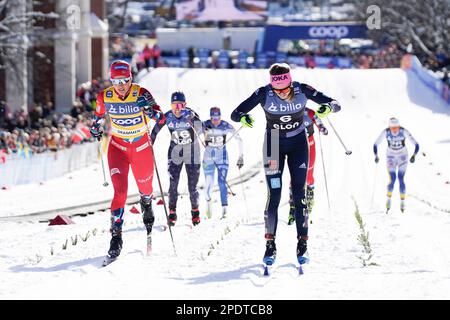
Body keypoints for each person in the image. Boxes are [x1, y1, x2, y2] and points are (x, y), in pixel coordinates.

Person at [230, 63, 341, 266]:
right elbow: (235, 113)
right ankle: (270, 246)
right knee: (274, 194)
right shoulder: (264, 93)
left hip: (299, 143)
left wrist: (328, 107)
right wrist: (243, 117)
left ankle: (302, 245)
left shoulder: (302, 89)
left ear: (290, 83)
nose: (280, 94)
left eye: (285, 89)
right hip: (273, 143)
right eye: (277, 90)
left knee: (299, 194)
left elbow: (335, 103)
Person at [90, 60, 165, 263]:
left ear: (130, 78)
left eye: (124, 80)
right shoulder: (104, 96)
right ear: (111, 80)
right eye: (116, 80)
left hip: (140, 148)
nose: (121, 85)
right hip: (118, 149)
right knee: (120, 192)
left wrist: (148, 110)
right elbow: (97, 117)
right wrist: (95, 127)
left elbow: (161, 118)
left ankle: (147, 204)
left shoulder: (142, 93)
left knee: (146, 188)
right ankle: (116, 237)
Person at [150, 92, 203, 227]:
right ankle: (172, 212)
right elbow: (155, 130)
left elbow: (202, 129)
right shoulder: (167, 116)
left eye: (180, 105)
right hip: (175, 153)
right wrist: (150, 143)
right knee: (173, 184)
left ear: (185, 105)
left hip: (192, 153)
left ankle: (195, 211)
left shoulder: (190, 114)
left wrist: (194, 121)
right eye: (174, 105)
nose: (177, 108)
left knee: (192, 186)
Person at [287, 107, 328, 225]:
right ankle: (292, 208)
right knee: (294, 176)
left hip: (310, 146)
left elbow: (319, 123)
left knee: (308, 176)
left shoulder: (310, 112)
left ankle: (309, 202)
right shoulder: (289, 112)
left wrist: (322, 128)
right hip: (296, 147)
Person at [203, 107, 244, 219]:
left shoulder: (225, 125)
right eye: (213, 118)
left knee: (221, 182)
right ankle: (208, 204)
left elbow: (239, 139)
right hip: (208, 159)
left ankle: (224, 209)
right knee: (208, 183)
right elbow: (193, 133)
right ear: (210, 117)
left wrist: (241, 157)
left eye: (218, 118)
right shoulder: (204, 125)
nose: (216, 120)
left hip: (222, 158)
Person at [373, 117, 419, 213]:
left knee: (401, 178)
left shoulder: (403, 131)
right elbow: (376, 144)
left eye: (396, 128)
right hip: (391, 157)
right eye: (393, 128)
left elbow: (416, 144)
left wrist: (414, 155)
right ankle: (388, 200)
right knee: (392, 179)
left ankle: (402, 202)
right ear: (389, 127)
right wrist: (376, 155)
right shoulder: (386, 132)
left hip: (403, 156)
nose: (395, 130)